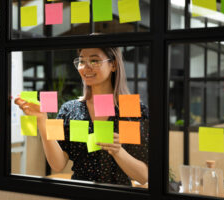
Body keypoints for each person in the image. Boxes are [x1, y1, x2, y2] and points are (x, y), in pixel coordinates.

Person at [15, 47, 149, 186]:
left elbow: (144, 176)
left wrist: (118, 151)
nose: (86, 67)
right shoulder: (70, 110)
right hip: (79, 192)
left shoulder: (133, 110)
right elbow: (58, 164)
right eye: (81, 61)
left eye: (95, 60)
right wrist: (42, 120)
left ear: (113, 65)